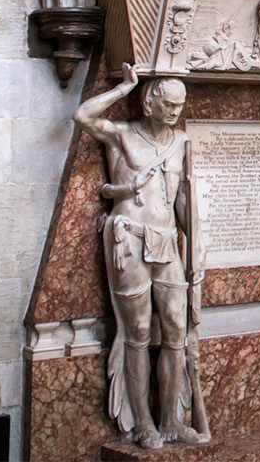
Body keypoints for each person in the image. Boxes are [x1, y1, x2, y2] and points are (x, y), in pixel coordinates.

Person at [72, 65, 210, 449]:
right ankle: (144, 424)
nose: (174, 112)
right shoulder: (122, 136)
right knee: (138, 333)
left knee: (176, 331)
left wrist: (195, 242)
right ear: (149, 101)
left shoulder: (181, 141)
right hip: (129, 239)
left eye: (179, 106)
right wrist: (124, 87)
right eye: (167, 104)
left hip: (167, 242)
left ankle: (170, 420)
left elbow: (182, 198)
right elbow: (82, 116)